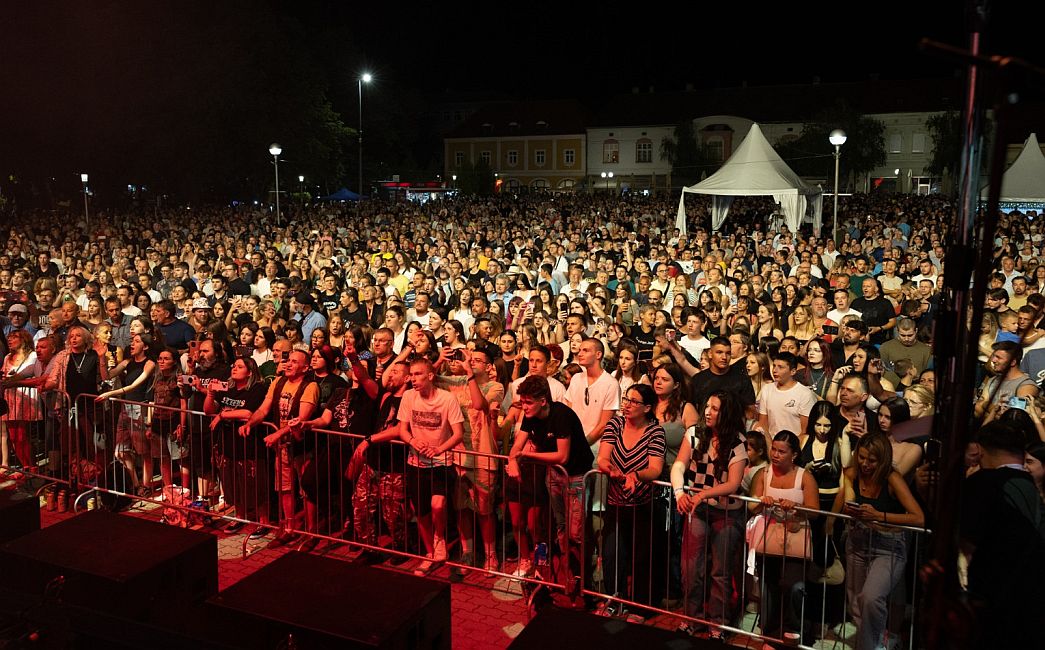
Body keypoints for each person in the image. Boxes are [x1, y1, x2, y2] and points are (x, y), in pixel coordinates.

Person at [957, 422, 1045, 648]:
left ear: (982, 450)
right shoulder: (1030, 485)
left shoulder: (983, 482)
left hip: (990, 596)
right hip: (1030, 598)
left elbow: (965, 540)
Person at [834, 434, 924, 650]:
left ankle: (871, 646)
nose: (865, 464)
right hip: (858, 542)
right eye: (862, 458)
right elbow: (840, 505)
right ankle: (871, 644)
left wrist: (878, 515)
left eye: (871, 460)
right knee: (856, 603)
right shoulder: (852, 473)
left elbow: (918, 518)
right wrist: (846, 510)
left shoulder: (892, 478)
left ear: (882, 460)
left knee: (871, 598)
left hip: (888, 545)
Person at [672, 390, 749, 637]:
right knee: (691, 568)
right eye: (707, 406)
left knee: (720, 572)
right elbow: (679, 465)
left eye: (714, 408)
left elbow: (733, 484)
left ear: (726, 413)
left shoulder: (737, 441)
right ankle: (691, 619)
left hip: (727, 512)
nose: (707, 412)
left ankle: (719, 624)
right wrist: (679, 493)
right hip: (700, 508)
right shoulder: (694, 434)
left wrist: (702, 494)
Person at [595, 384, 666, 615]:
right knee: (612, 554)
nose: (627, 405)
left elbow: (655, 468)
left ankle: (641, 608)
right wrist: (612, 470)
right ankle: (614, 600)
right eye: (626, 399)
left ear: (647, 407)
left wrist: (636, 475)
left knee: (642, 558)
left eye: (634, 402)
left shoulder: (655, 431)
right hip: (615, 503)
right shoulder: (615, 424)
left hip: (643, 505)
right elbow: (603, 458)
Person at [241, 349, 319, 548]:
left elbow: (300, 420)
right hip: (282, 448)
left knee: (306, 490)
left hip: (303, 447)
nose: (289, 364)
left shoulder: (310, 386)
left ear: (306, 367)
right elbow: (263, 409)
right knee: (285, 489)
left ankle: (311, 532)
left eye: (294, 361)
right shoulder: (278, 382)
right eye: (288, 360)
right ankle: (290, 528)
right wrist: (250, 422)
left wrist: (277, 433)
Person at [748, 430, 820, 644]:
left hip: (795, 540)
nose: (776, 455)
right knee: (768, 585)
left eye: (782, 451)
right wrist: (762, 501)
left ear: (794, 455)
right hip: (769, 539)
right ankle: (769, 633)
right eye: (774, 449)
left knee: (793, 585)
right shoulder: (764, 474)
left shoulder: (805, 476)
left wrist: (797, 507)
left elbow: (815, 511)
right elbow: (751, 505)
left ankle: (793, 628)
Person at [395, 358, 465, 575]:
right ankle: (429, 554)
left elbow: (458, 433)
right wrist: (412, 441)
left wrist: (439, 449)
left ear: (431, 376)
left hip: (441, 462)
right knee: (422, 512)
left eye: (418, 375)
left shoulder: (447, 399)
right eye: (411, 375)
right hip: (415, 463)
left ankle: (440, 538)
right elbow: (402, 430)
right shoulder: (408, 396)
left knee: (437, 505)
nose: (413, 379)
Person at [350, 360, 410, 564]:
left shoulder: (410, 399)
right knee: (361, 506)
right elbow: (365, 378)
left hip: (395, 465)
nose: (390, 375)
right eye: (390, 371)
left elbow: (399, 429)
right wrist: (353, 358)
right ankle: (370, 549)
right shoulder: (385, 396)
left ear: (407, 378)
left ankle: (400, 547)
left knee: (393, 515)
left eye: (395, 372)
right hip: (373, 462)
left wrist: (369, 440)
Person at [204, 356, 270, 536]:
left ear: (249, 372)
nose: (234, 368)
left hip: (249, 443)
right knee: (233, 483)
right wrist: (210, 393)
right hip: (228, 442)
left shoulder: (257, 389)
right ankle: (240, 517)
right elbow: (209, 410)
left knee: (256, 484)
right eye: (234, 366)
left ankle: (264, 521)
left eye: (239, 367)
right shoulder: (228, 387)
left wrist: (223, 415)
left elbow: (249, 412)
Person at [96, 332, 157, 495]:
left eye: (137, 341)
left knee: (143, 452)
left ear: (145, 346)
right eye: (132, 341)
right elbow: (107, 376)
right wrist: (102, 358)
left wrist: (110, 394)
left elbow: (135, 385)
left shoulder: (150, 363)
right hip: (125, 407)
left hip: (139, 408)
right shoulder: (128, 361)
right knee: (120, 451)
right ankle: (135, 484)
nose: (132, 344)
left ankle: (145, 485)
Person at [758, 352, 817, 439]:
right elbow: (763, 424)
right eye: (774, 366)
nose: (774, 370)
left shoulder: (805, 394)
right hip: (771, 445)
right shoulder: (767, 389)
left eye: (780, 367)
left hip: (794, 446)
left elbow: (805, 431)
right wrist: (770, 447)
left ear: (793, 371)